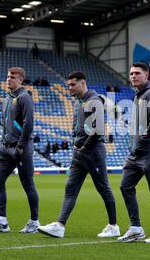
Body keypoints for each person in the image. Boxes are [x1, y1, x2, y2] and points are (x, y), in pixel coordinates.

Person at [37, 71, 119, 238]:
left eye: (73, 85)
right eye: (68, 85)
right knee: (70, 188)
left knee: (103, 188)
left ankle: (113, 226)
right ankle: (60, 225)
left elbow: (97, 130)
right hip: (80, 153)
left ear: (83, 83)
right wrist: (76, 144)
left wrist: (83, 147)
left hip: (92, 152)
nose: (70, 88)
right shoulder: (79, 102)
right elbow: (79, 127)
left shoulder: (93, 101)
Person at [0, 67, 40, 234]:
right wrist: (3, 142)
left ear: (21, 80)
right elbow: (6, 123)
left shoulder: (25, 97)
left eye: (13, 77)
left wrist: (20, 146)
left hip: (21, 148)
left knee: (27, 184)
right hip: (5, 148)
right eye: (8, 76)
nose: (9, 79)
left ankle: (34, 222)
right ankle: (2, 221)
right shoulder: (6, 99)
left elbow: (28, 125)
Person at [117, 62, 150, 243]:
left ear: (146, 76)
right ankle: (136, 228)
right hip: (136, 154)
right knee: (125, 186)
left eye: (137, 73)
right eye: (131, 73)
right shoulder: (137, 96)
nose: (133, 76)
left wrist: (139, 145)